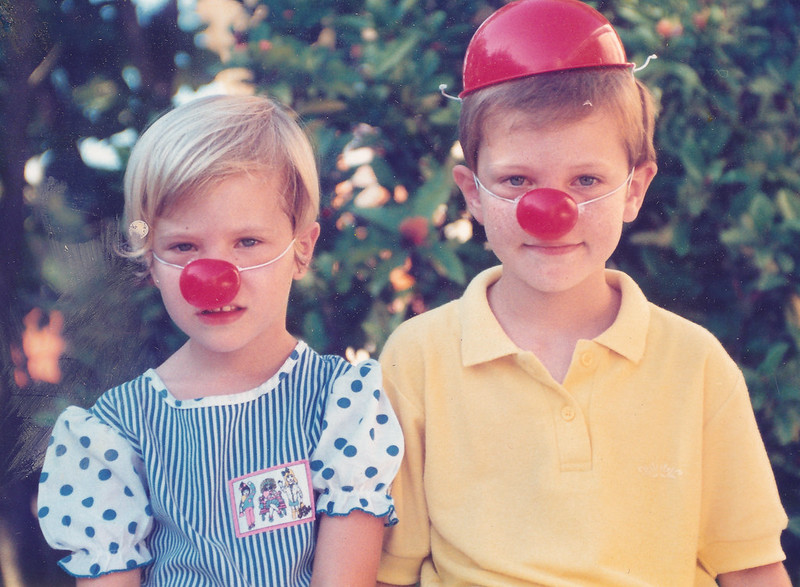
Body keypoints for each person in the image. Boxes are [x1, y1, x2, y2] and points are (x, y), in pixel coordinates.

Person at [376, 0, 790, 585]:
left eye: (587, 181)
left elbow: (750, 567)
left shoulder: (696, 366)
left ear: (634, 189)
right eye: (517, 181)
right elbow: (390, 569)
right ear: (472, 192)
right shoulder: (416, 358)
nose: (554, 213)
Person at [36, 95, 403, 586]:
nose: (214, 276)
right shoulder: (115, 434)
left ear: (302, 249)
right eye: (183, 247)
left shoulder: (341, 404)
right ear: (151, 261)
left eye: (247, 242)